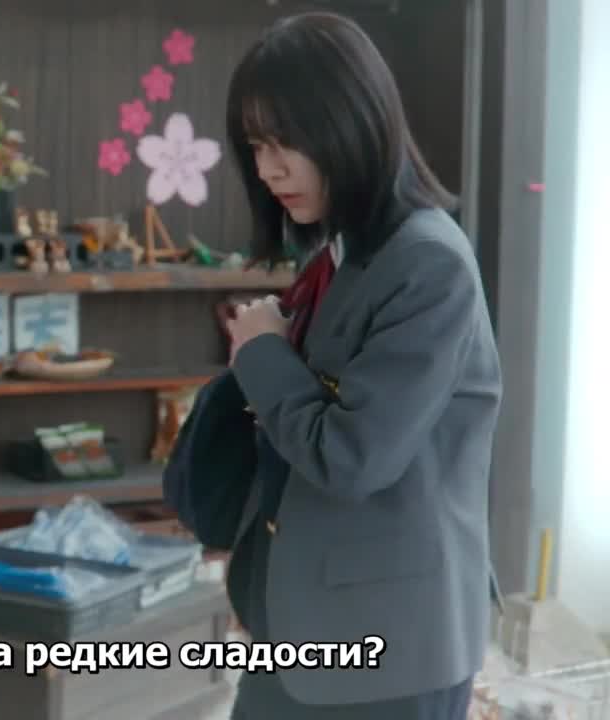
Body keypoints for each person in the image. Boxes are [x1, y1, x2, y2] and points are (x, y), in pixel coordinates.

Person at [163, 12, 502, 719]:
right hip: (306, 630)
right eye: (257, 146)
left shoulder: (427, 262)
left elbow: (352, 456)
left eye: (286, 141)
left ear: (353, 123)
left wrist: (260, 349)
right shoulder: (342, 249)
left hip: (389, 650)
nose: (269, 168)